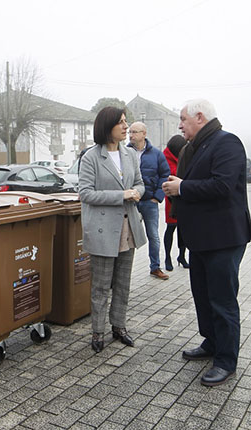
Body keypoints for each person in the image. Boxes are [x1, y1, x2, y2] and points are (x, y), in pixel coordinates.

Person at [162, 99, 251, 386]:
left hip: (223, 239)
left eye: (183, 119)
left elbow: (223, 185)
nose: (179, 125)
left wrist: (182, 187)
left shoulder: (227, 143)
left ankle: (226, 360)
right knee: (203, 296)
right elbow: (203, 181)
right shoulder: (199, 145)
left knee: (222, 301)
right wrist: (181, 184)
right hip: (201, 239)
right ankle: (211, 343)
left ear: (199, 117)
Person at [79, 106, 147, 353]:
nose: (125, 126)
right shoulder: (91, 157)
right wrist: (122, 195)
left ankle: (119, 326)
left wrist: (137, 192)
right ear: (107, 127)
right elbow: (85, 193)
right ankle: (98, 332)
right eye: (120, 122)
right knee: (101, 285)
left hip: (128, 227)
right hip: (103, 230)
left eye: (126, 121)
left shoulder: (129, 154)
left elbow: (140, 184)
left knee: (123, 283)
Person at [128, 122, 170, 280]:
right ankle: (122, 273)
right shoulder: (124, 152)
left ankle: (155, 267)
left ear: (144, 133)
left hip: (149, 202)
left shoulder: (157, 154)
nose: (131, 135)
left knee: (153, 235)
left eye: (135, 132)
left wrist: (157, 197)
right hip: (130, 201)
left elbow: (164, 174)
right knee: (125, 236)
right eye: (130, 132)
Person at [162, 134, 188, 271]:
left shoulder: (183, 156)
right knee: (171, 227)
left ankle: (182, 256)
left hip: (183, 195)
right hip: (171, 197)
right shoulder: (165, 158)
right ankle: (167, 257)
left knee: (183, 229)